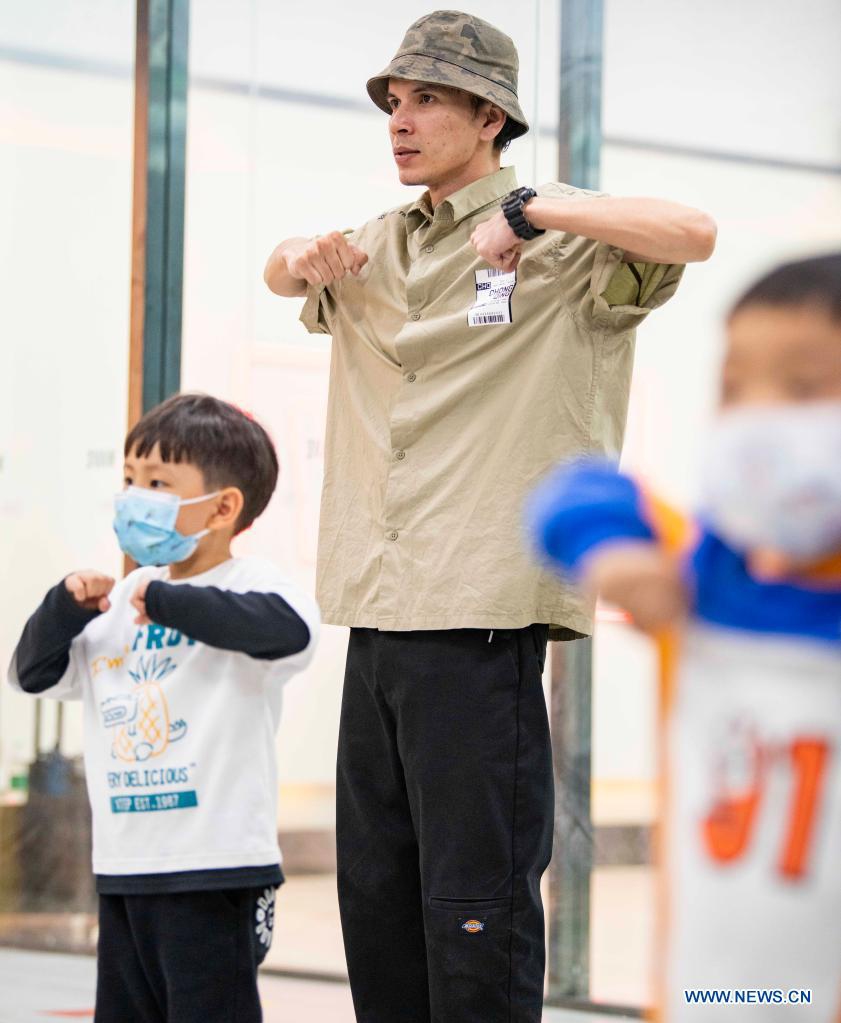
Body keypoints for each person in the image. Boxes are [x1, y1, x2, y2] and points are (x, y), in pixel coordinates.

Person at [263, 10, 716, 1022]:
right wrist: (302, 253)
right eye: (392, 100)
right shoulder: (373, 247)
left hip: (476, 626)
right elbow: (280, 268)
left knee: (473, 918)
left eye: (425, 98)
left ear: (488, 115)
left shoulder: (565, 251)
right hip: (375, 619)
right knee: (375, 911)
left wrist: (534, 213)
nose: (399, 118)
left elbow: (692, 231)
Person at [526, 253, 841, 1021]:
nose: (759, 417)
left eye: (801, 388)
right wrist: (616, 550)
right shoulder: (705, 574)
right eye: (733, 389)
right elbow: (577, 489)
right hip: (714, 991)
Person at [8, 393, 321, 1023]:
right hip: (126, 866)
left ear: (224, 507)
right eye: (129, 479)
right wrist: (63, 608)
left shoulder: (252, 585)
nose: (133, 496)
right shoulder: (123, 599)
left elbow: (292, 632)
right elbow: (32, 676)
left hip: (215, 868)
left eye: (157, 483)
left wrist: (171, 602)